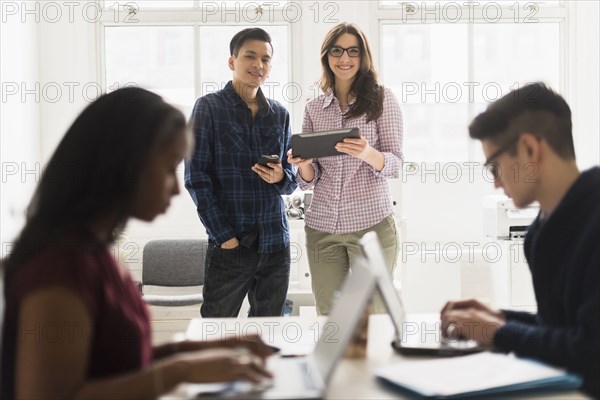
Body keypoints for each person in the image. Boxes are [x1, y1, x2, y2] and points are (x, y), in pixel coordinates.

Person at [1, 87, 274, 399]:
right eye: (170, 169)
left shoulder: (96, 250)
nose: (175, 190)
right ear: (124, 164)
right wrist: (182, 370)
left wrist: (207, 348)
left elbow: (120, 362)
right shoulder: (59, 268)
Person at [440, 83, 599, 397]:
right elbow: (562, 331)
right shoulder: (540, 232)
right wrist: (498, 317)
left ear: (529, 149)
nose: (496, 182)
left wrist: (499, 332)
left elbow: (590, 351)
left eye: (494, 166)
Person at [288, 22, 403, 315]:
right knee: (330, 316)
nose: (345, 58)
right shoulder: (314, 108)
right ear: (327, 56)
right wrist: (303, 166)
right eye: (337, 51)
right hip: (322, 226)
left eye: (353, 51)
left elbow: (395, 163)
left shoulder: (381, 99)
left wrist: (367, 153)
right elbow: (310, 179)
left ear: (363, 57)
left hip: (371, 225)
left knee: (374, 314)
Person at [184, 28, 297, 318]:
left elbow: (290, 180)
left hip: (275, 244)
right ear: (232, 61)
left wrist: (282, 178)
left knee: (268, 334)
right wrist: (224, 237)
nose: (258, 64)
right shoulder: (208, 108)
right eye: (250, 56)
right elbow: (196, 178)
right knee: (216, 331)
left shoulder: (280, 115)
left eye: (266, 59)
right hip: (231, 245)